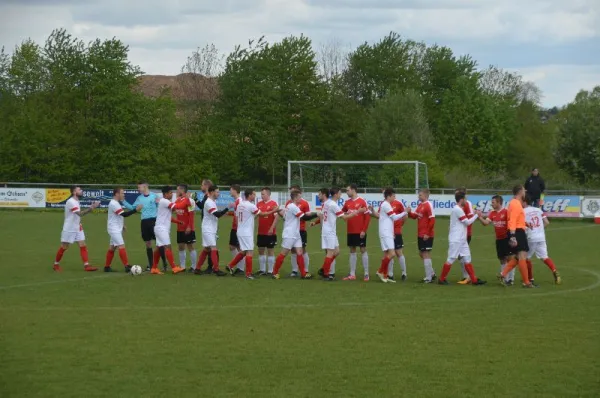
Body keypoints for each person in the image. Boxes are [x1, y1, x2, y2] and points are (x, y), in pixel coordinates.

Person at [438, 191, 486, 285]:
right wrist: (477, 215)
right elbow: (467, 222)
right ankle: (441, 279)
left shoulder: (459, 209)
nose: (466, 201)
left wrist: (475, 214)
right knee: (451, 259)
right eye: (465, 199)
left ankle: (474, 280)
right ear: (461, 199)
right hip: (456, 239)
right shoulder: (457, 209)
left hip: (462, 239)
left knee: (467, 258)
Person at [271, 190, 319, 280]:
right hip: (289, 234)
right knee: (283, 253)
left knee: (299, 252)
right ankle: (275, 272)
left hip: (296, 234)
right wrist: (316, 213)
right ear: (295, 197)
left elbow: (285, 216)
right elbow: (304, 217)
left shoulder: (291, 206)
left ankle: (303, 274)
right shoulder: (293, 206)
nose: (301, 199)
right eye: (300, 197)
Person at [319, 188, 364, 281]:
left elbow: (334, 214)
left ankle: (324, 269)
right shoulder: (333, 205)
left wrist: (347, 212)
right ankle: (326, 274)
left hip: (329, 231)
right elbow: (344, 218)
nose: (341, 195)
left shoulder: (327, 203)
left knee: (337, 251)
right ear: (335, 194)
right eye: (340, 193)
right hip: (329, 232)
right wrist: (356, 212)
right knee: (330, 253)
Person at [122, 181, 167, 272]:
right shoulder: (139, 198)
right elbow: (132, 207)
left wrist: (160, 204)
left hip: (154, 221)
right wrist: (123, 201)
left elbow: (162, 205)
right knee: (148, 243)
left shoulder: (154, 196)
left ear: (145, 186)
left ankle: (164, 264)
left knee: (159, 243)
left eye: (139, 187)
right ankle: (151, 265)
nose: (138, 189)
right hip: (144, 222)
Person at [53, 186, 100, 272]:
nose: (81, 191)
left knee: (83, 245)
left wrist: (91, 207)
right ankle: (56, 264)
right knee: (64, 247)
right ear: (74, 192)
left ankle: (87, 265)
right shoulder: (71, 202)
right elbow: (80, 214)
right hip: (69, 228)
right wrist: (92, 207)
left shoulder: (76, 201)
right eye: (79, 190)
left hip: (77, 227)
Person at [498, 185, 535, 288]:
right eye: (524, 190)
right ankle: (526, 282)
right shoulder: (515, 203)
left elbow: (517, 218)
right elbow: (512, 220)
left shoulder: (515, 203)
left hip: (518, 230)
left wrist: (526, 224)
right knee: (522, 255)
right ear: (520, 192)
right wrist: (513, 235)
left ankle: (503, 274)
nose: (525, 191)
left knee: (518, 257)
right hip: (517, 232)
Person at [368, 188, 407, 283]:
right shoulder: (386, 205)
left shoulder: (385, 204)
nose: (395, 197)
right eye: (393, 196)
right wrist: (405, 212)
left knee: (387, 254)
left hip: (387, 232)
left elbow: (383, 218)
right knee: (392, 253)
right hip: (386, 232)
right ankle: (380, 271)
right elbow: (394, 217)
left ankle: (385, 276)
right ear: (389, 196)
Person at [150, 186, 191, 275]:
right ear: (165, 194)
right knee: (168, 246)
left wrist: (178, 222)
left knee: (158, 247)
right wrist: (186, 199)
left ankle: (154, 268)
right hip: (161, 229)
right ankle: (174, 267)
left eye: (172, 192)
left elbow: (168, 217)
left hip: (159, 228)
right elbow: (178, 206)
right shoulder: (164, 201)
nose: (172, 194)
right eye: (170, 193)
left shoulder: (165, 202)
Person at [476, 195, 515, 284]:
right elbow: (486, 223)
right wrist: (480, 217)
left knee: (510, 259)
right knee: (502, 259)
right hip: (499, 239)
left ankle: (510, 279)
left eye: (493, 202)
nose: (491, 204)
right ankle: (504, 278)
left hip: (507, 238)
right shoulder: (492, 213)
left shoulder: (506, 212)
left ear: (499, 202)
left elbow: (512, 223)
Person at [523, 195, 562, 285]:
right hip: (541, 237)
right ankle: (555, 271)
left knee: (526, 258)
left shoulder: (523, 211)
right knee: (544, 257)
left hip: (531, 237)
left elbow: (524, 226)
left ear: (524, 202)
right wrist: (539, 229)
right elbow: (547, 222)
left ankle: (530, 279)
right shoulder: (538, 210)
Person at [195, 185, 230, 276]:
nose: (218, 193)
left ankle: (197, 269)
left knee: (206, 249)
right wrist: (227, 208)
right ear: (211, 192)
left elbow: (216, 215)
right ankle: (216, 269)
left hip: (210, 228)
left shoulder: (212, 201)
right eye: (217, 192)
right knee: (213, 248)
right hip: (208, 229)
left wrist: (223, 213)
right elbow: (217, 214)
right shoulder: (209, 202)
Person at [227, 188, 262, 279]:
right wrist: (275, 211)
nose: (255, 196)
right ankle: (248, 274)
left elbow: (240, 217)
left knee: (244, 251)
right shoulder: (251, 205)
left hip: (240, 231)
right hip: (247, 232)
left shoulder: (240, 205)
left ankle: (230, 265)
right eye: (254, 194)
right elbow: (262, 214)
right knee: (250, 252)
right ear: (249, 195)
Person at [104, 187, 141, 273]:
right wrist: (135, 210)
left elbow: (118, 215)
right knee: (121, 246)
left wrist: (122, 225)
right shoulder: (114, 203)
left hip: (116, 228)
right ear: (117, 194)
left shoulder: (116, 203)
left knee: (112, 248)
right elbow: (124, 214)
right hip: (114, 229)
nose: (123, 195)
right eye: (122, 193)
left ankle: (106, 267)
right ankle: (127, 266)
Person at [342, 184, 371, 281]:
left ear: (353, 190)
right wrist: (346, 215)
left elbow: (367, 217)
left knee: (363, 249)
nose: (346, 192)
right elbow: (342, 213)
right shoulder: (347, 203)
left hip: (360, 231)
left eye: (348, 190)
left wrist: (364, 230)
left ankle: (366, 273)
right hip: (350, 230)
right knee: (352, 250)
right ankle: (352, 274)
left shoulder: (362, 201)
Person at [407, 189, 436, 283]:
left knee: (425, 253)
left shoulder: (428, 205)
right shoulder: (420, 205)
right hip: (420, 234)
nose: (418, 196)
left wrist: (427, 233)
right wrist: (409, 212)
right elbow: (415, 216)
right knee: (421, 253)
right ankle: (431, 273)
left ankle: (428, 278)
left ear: (425, 196)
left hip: (426, 234)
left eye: (420, 195)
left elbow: (432, 220)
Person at [192, 179, 216, 273]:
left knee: (211, 246)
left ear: (206, 186)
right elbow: (202, 206)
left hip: (210, 225)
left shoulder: (208, 197)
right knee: (209, 246)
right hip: (208, 224)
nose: (200, 187)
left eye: (202, 185)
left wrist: (195, 199)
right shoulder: (207, 196)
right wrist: (196, 199)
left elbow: (202, 206)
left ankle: (212, 267)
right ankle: (211, 267)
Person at [287, 185, 311, 276]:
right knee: (293, 250)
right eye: (291, 191)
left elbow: (307, 215)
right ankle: (294, 270)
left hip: (301, 229)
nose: (291, 192)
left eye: (293, 191)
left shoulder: (304, 203)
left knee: (302, 249)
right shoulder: (289, 203)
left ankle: (306, 269)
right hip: (292, 230)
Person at [256, 187, 280, 276]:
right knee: (261, 250)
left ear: (268, 194)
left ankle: (270, 271)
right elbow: (256, 215)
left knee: (270, 251)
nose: (261, 196)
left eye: (263, 194)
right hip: (260, 232)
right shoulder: (258, 204)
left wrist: (271, 228)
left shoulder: (274, 204)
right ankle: (262, 270)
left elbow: (277, 217)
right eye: (261, 194)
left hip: (270, 232)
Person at [174, 184, 197, 272]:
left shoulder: (190, 201)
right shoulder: (177, 200)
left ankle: (194, 267)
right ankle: (182, 266)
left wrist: (189, 226)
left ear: (182, 190)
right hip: (179, 228)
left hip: (188, 228)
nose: (176, 191)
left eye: (177, 190)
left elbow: (191, 215)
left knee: (190, 246)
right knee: (180, 246)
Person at [456, 187, 475, 284]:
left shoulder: (467, 204)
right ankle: (466, 276)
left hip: (465, 234)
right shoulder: (460, 205)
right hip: (460, 234)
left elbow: (470, 218)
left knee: (462, 255)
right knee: (460, 256)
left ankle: (467, 277)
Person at [388, 196, 408, 281]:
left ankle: (404, 273)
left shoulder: (398, 203)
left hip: (396, 232)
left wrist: (399, 225)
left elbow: (405, 215)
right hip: (388, 232)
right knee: (390, 253)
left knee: (399, 252)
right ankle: (390, 274)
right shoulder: (384, 204)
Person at [227, 184, 245, 275]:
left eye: (230, 190)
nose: (230, 192)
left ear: (234, 190)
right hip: (235, 227)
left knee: (238, 247)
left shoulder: (239, 201)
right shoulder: (237, 201)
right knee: (233, 247)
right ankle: (239, 267)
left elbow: (240, 216)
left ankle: (241, 268)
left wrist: (238, 228)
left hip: (237, 228)